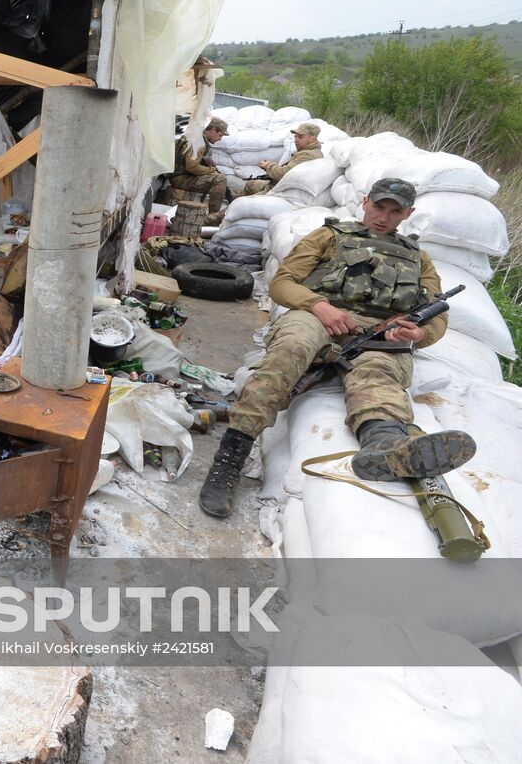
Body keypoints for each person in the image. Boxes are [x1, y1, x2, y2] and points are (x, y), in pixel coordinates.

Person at [198, 178, 475, 518]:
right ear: (365, 202)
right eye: (379, 207)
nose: (384, 217)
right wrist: (318, 306)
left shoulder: (419, 258)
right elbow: (282, 282)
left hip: (379, 334)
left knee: (379, 373)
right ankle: (231, 457)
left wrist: (415, 334)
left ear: (408, 214)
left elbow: (436, 315)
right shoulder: (330, 236)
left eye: (394, 211)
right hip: (319, 317)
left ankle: (384, 446)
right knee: (290, 349)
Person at [241, 122, 324, 196]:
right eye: (295, 137)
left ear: (312, 138)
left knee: (242, 204)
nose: (296, 140)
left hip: (279, 191)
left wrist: (267, 165)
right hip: (279, 186)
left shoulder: (308, 155)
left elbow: (282, 174)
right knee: (250, 184)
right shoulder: (310, 152)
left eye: (300, 137)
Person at [168, 116, 229, 216]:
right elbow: (192, 167)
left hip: (182, 176)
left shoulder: (197, 137)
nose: (220, 139)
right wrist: (210, 170)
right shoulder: (198, 142)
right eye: (220, 135)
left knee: (219, 177)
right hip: (180, 178)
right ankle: (213, 216)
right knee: (220, 179)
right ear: (213, 130)